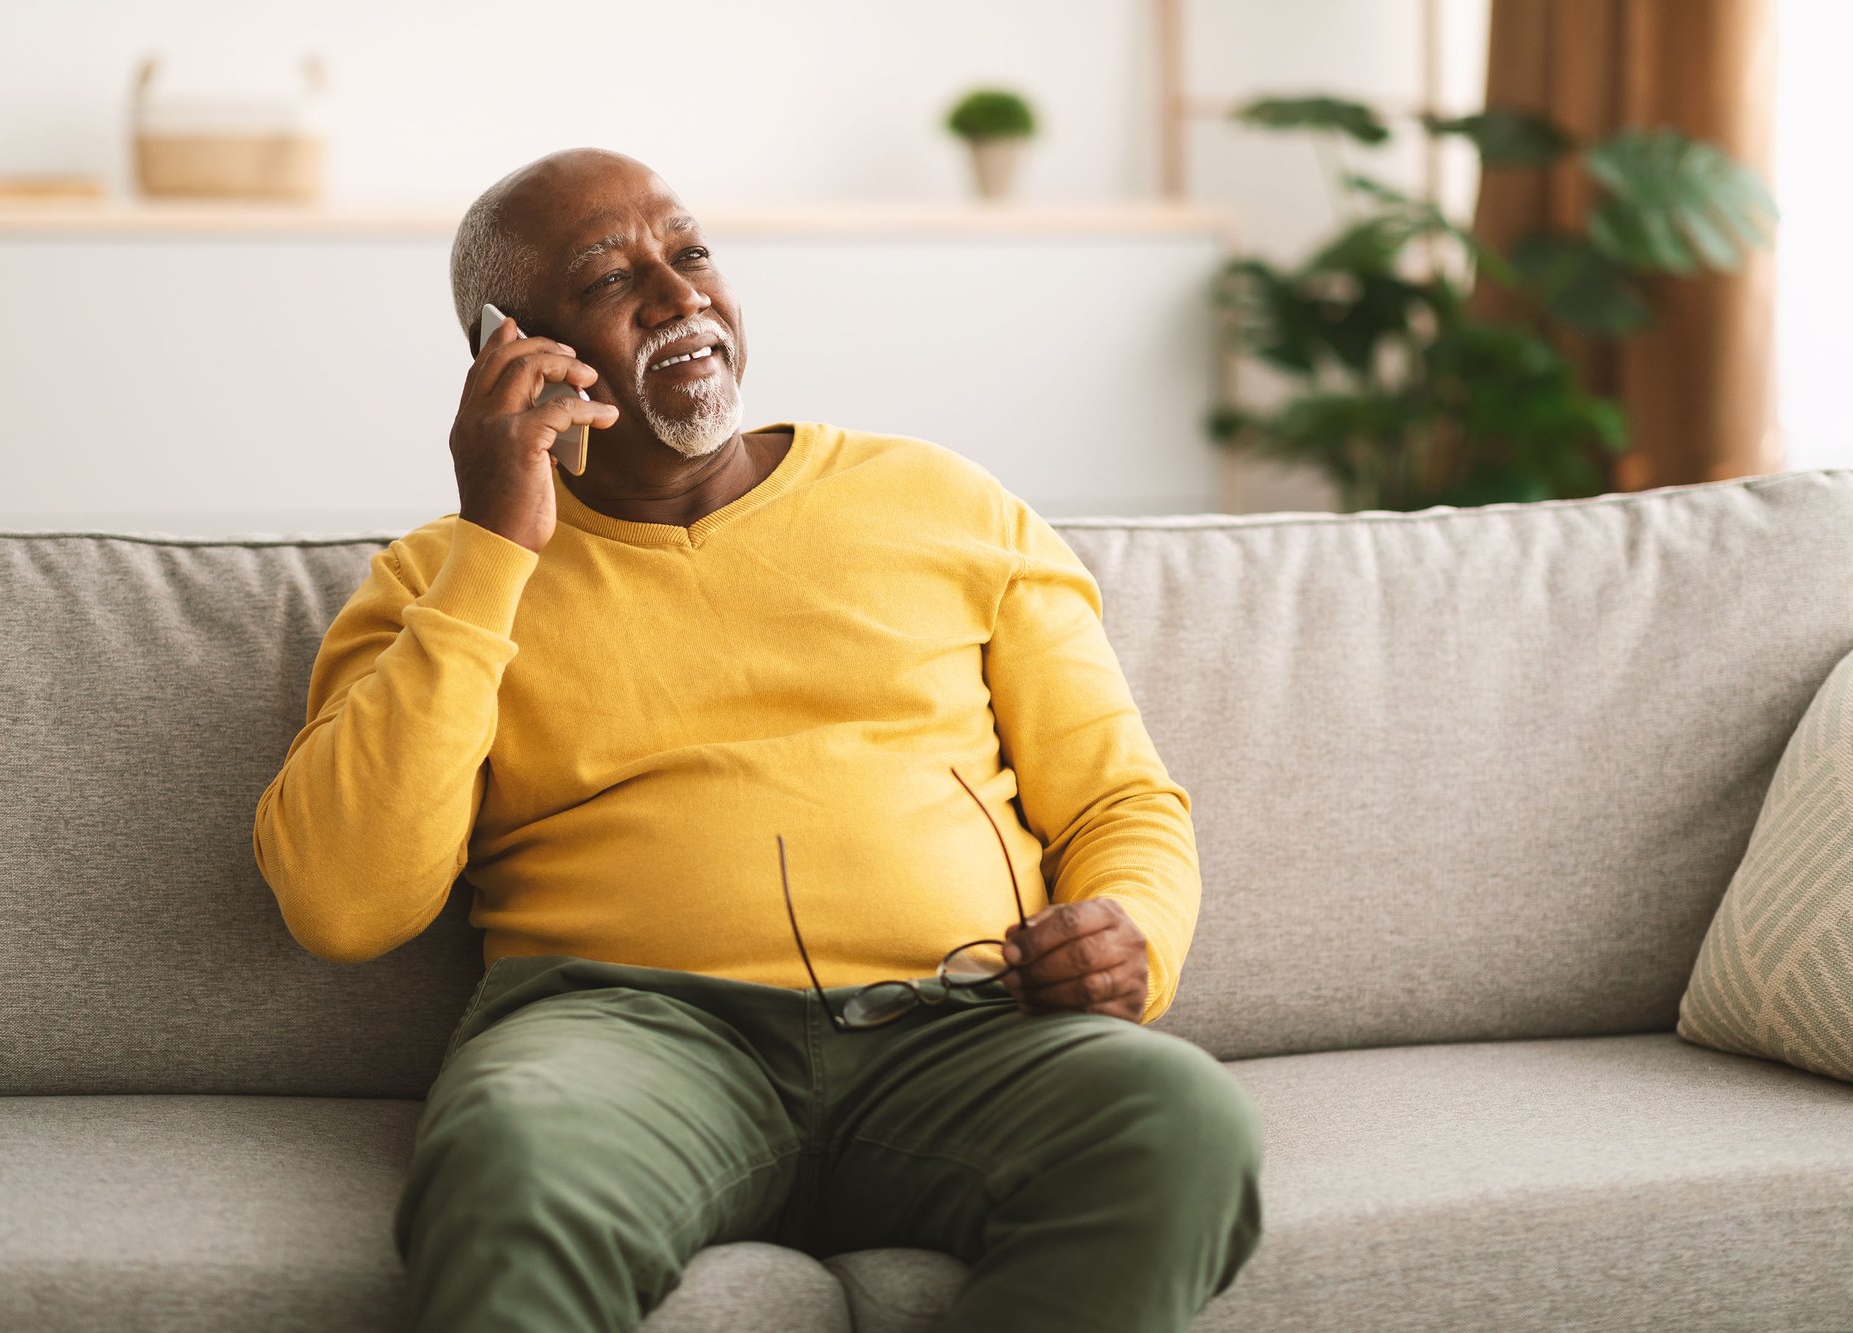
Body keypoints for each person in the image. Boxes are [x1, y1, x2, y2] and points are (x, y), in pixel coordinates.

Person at [253, 146, 1262, 1333]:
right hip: (628, 1046)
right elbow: (342, 902)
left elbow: (1119, 803)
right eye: (608, 279)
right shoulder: (441, 578)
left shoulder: (945, 503)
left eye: (688, 253)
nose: (679, 295)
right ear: (506, 349)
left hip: (961, 1026)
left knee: (1178, 1118)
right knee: (509, 1163)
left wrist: (1131, 931)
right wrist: (496, 546)